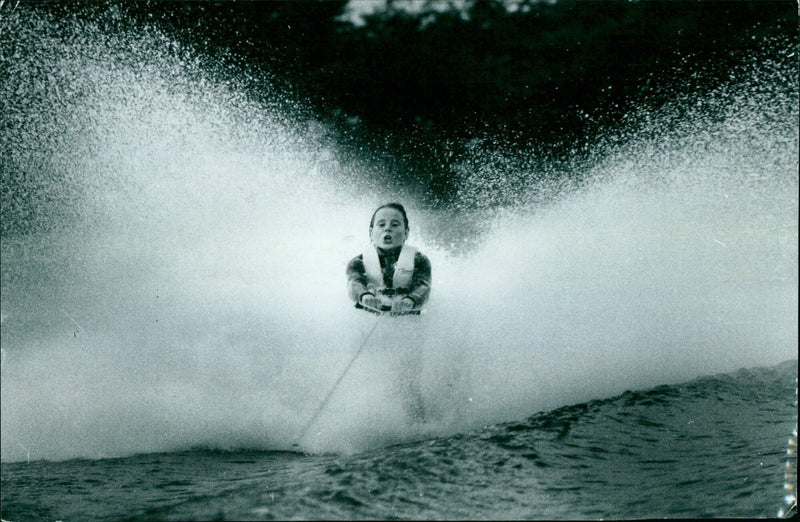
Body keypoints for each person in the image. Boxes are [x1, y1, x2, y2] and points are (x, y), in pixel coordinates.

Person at [346, 202, 431, 314]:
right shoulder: (357, 262)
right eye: (381, 225)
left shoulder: (419, 260)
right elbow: (354, 283)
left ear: (406, 233)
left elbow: (423, 286)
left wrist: (410, 299)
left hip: (408, 315)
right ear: (371, 233)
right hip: (371, 313)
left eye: (395, 225)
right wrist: (365, 295)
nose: (387, 229)